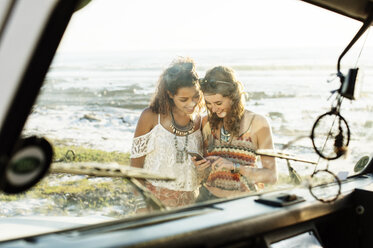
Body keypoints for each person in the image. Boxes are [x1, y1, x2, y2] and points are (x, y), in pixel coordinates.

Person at [193, 66, 277, 201]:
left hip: (243, 202)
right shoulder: (206, 122)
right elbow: (203, 175)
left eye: (218, 103)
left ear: (233, 96)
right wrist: (201, 167)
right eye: (208, 104)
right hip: (206, 199)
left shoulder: (258, 123)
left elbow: (271, 176)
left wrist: (235, 167)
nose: (213, 109)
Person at [130, 57, 203, 208]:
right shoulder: (150, 117)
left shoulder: (201, 121)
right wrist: (140, 205)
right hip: (155, 203)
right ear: (170, 94)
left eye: (196, 97)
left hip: (191, 204)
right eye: (184, 99)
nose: (192, 103)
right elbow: (135, 167)